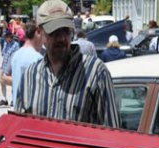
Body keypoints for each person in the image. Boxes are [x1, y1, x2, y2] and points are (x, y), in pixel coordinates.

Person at [16, 0, 120, 128]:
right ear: (39, 32)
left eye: (66, 31)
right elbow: (18, 130)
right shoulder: (29, 76)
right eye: (54, 32)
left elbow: (112, 133)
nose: (61, 38)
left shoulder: (95, 72)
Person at [4, 21, 43, 105]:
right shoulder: (38, 58)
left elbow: (4, 77)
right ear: (37, 33)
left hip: (16, 106)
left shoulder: (15, 55)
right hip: (30, 109)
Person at [0, 29, 19, 105]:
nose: (5, 38)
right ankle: (4, 99)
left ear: (10, 37)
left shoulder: (16, 45)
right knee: (1, 81)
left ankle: (13, 99)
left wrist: (8, 69)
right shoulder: (5, 43)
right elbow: (4, 54)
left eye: (6, 37)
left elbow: (13, 57)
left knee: (13, 82)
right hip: (4, 65)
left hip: (12, 67)